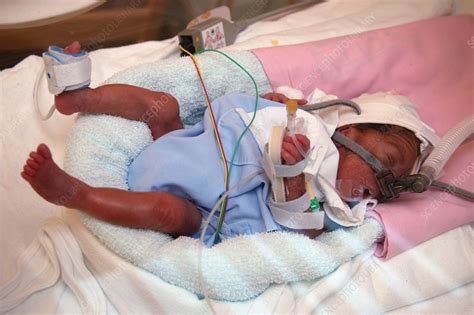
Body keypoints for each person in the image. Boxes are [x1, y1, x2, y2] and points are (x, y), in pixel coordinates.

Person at [21, 42, 429, 242]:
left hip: (200, 207)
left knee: (166, 212)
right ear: (350, 132)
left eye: (390, 186)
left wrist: (291, 178)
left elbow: (303, 229)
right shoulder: (309, 119)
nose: (382, 184)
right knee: (163, 105)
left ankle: (79, 195)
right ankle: (80, 97)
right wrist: (269, 106)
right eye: (387, 161)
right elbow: (255, 109)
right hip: (182, 143)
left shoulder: (339, 205)